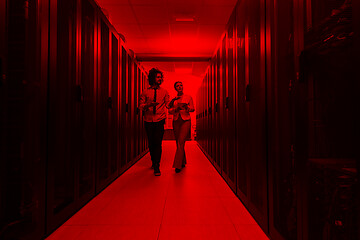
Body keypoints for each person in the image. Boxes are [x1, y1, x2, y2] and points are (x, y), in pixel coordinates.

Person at [139, 68, 170, 176]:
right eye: (158, 77)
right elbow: (140, 106)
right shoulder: (145, 92)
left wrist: (175, 105)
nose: (160, 79)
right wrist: (148, 105)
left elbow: (168, 105)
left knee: (158, 142)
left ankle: (157, 165)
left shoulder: (164, 92)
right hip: (148, 120)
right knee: (151, 143)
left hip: (160, 119)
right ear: (152, 78)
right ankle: (153, 160)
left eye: (161, 77)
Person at [167, 81, 195, 173]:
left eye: (181, 85)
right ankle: (183, 161)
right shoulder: (173, 99)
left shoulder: (188, 97)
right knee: (178, 142)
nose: (179, 87)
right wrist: (176, 109)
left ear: (183, 86)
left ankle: (177, 165)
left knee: (181, 141)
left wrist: (187, 108)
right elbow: (169, 111)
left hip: (186, 120)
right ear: (175, 88)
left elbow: (192, 109)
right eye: (177, 86)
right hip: (176, 120)